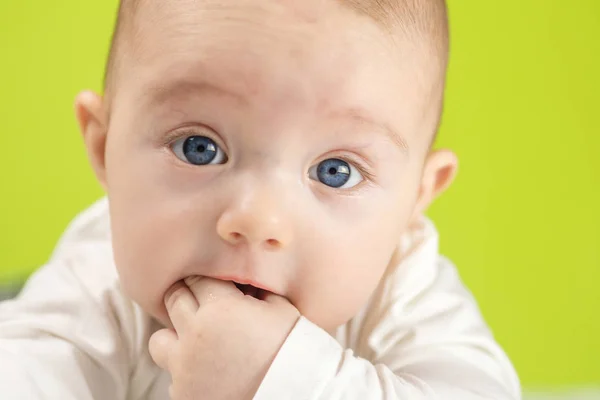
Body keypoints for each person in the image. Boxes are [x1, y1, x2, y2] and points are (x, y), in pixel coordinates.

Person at [0, 0, 521, 398]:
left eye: (334, 172)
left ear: (415, 200)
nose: (257, 219)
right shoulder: (93, 283)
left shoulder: (405, 294)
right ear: (104, 148)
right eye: (198, 148)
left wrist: (281, 375)